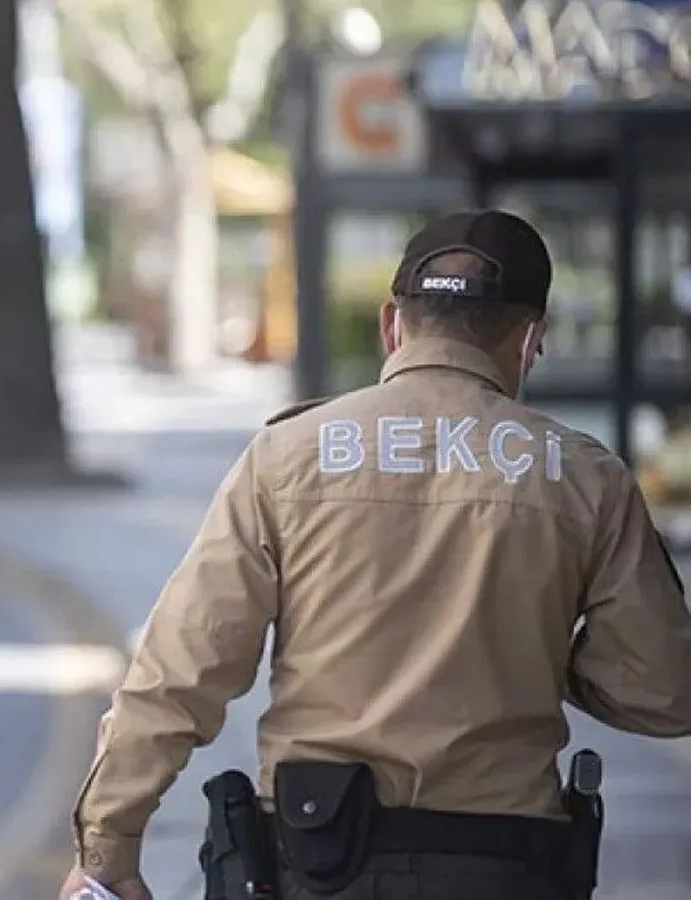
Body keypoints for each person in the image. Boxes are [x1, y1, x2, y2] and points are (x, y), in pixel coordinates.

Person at [57, 209, 691, 900]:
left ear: (394, 324)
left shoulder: (286, 458)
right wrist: (546, 648)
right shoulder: (586, 478)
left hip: (319, 856)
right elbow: (666, 693)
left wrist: (108, 847)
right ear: (530, 339)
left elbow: (181, 668)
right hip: (508, 865)